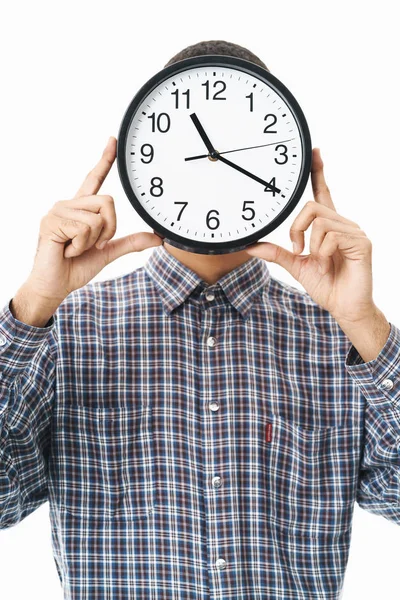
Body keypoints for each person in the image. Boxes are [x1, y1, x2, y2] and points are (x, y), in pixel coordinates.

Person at [0, 39, 398, 600]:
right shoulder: (66, 329)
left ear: (293, 169)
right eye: (196, 145)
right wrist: (33, 305)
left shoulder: (341, 340)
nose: (213, 166)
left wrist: (367, 326)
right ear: (140, 163)